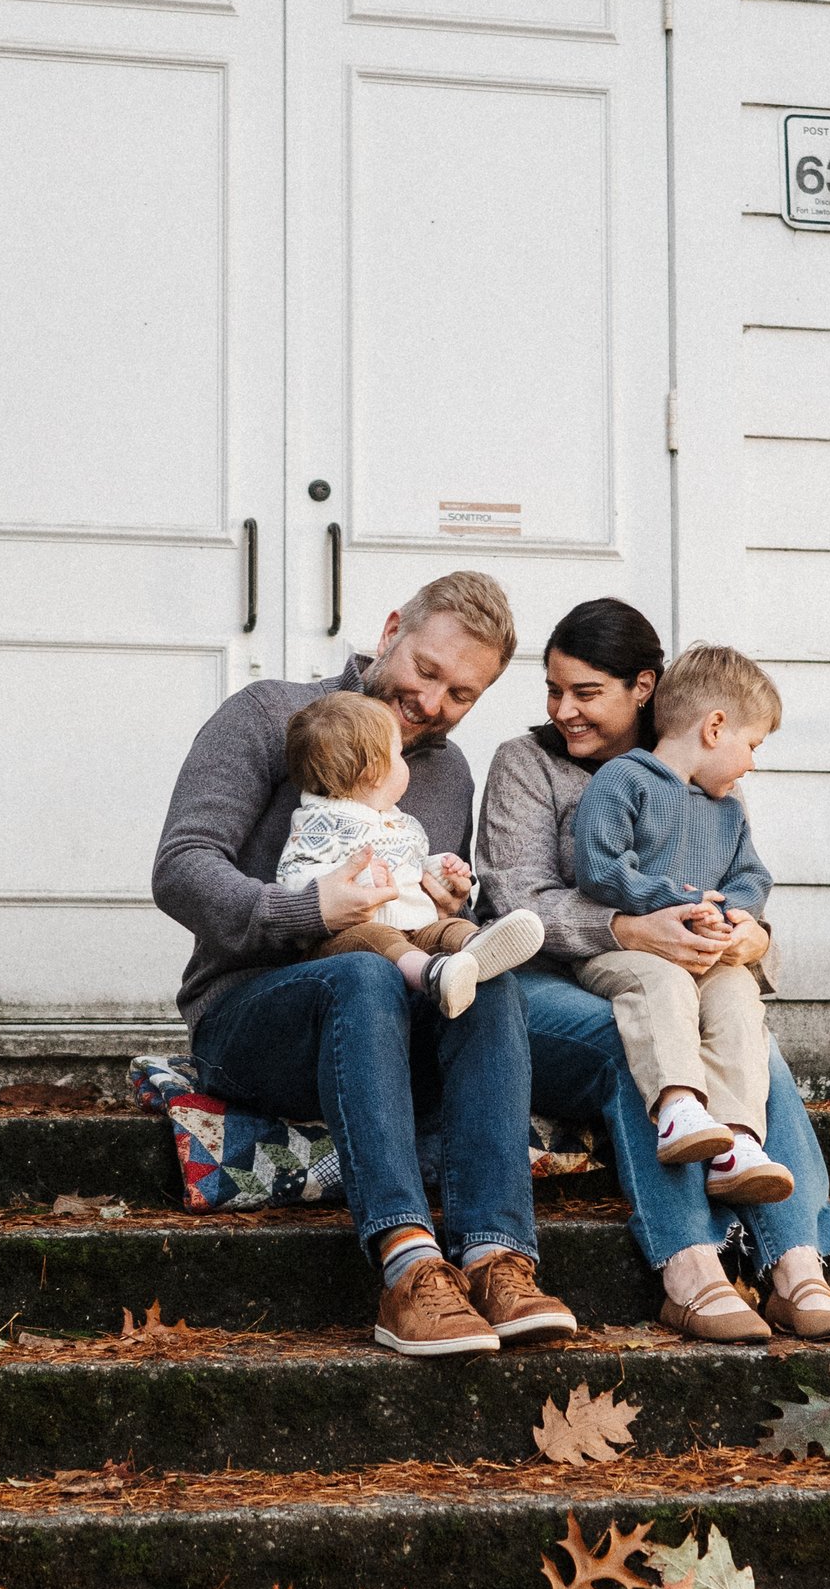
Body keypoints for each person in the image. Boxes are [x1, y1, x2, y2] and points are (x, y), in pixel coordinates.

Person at [151, 573, 577, 1363]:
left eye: (462, 693)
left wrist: (447, 903)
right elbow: (180, 867)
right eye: (426, 669)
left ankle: (496, 1258)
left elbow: (413, 907)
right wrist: (310, 909)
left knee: (488, 979)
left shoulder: (446, 774)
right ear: (389, 631)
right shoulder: (267, 713)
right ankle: (410, 1267)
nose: (434, 701)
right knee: (365, 974)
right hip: (250, 1012)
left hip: (384, 1012)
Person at [476, 598, 830, 1347]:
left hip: (678, 981)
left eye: (586, 692)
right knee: (641, 1031)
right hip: (548, 983)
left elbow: (734, 888)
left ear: (644, 689)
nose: (564, 709)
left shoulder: (702, 776)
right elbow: (512, 904)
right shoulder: (526, 765)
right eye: (554, 690)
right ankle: (691, 1271)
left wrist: (750, 941)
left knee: (745, 1044)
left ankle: (797, 1270)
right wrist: (627, 926)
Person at [569, 642, 794, 1200]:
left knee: (739, 995)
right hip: (630, 955)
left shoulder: (729, 810)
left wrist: (733, 917)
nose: (752, 763)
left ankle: (738, 1143)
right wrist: (676, 899)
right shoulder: (624, 780)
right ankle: (677, 1110)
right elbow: (599, 866)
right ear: (715, 727)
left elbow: (752, 877)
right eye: (752, 744)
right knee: (665, 983)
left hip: (707, 951)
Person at [275, 688, 542, 1017]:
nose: (406, 764)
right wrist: (357, 878)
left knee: (448, 930)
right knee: (378, 938)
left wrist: (439, 872)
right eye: (399, 754)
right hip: (350, 939)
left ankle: (478, 947)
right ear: (373, 770)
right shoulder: (322, 821)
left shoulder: (395, 819)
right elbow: (292, 876)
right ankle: (434, 975)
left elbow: (410, 867)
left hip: (418, 928)